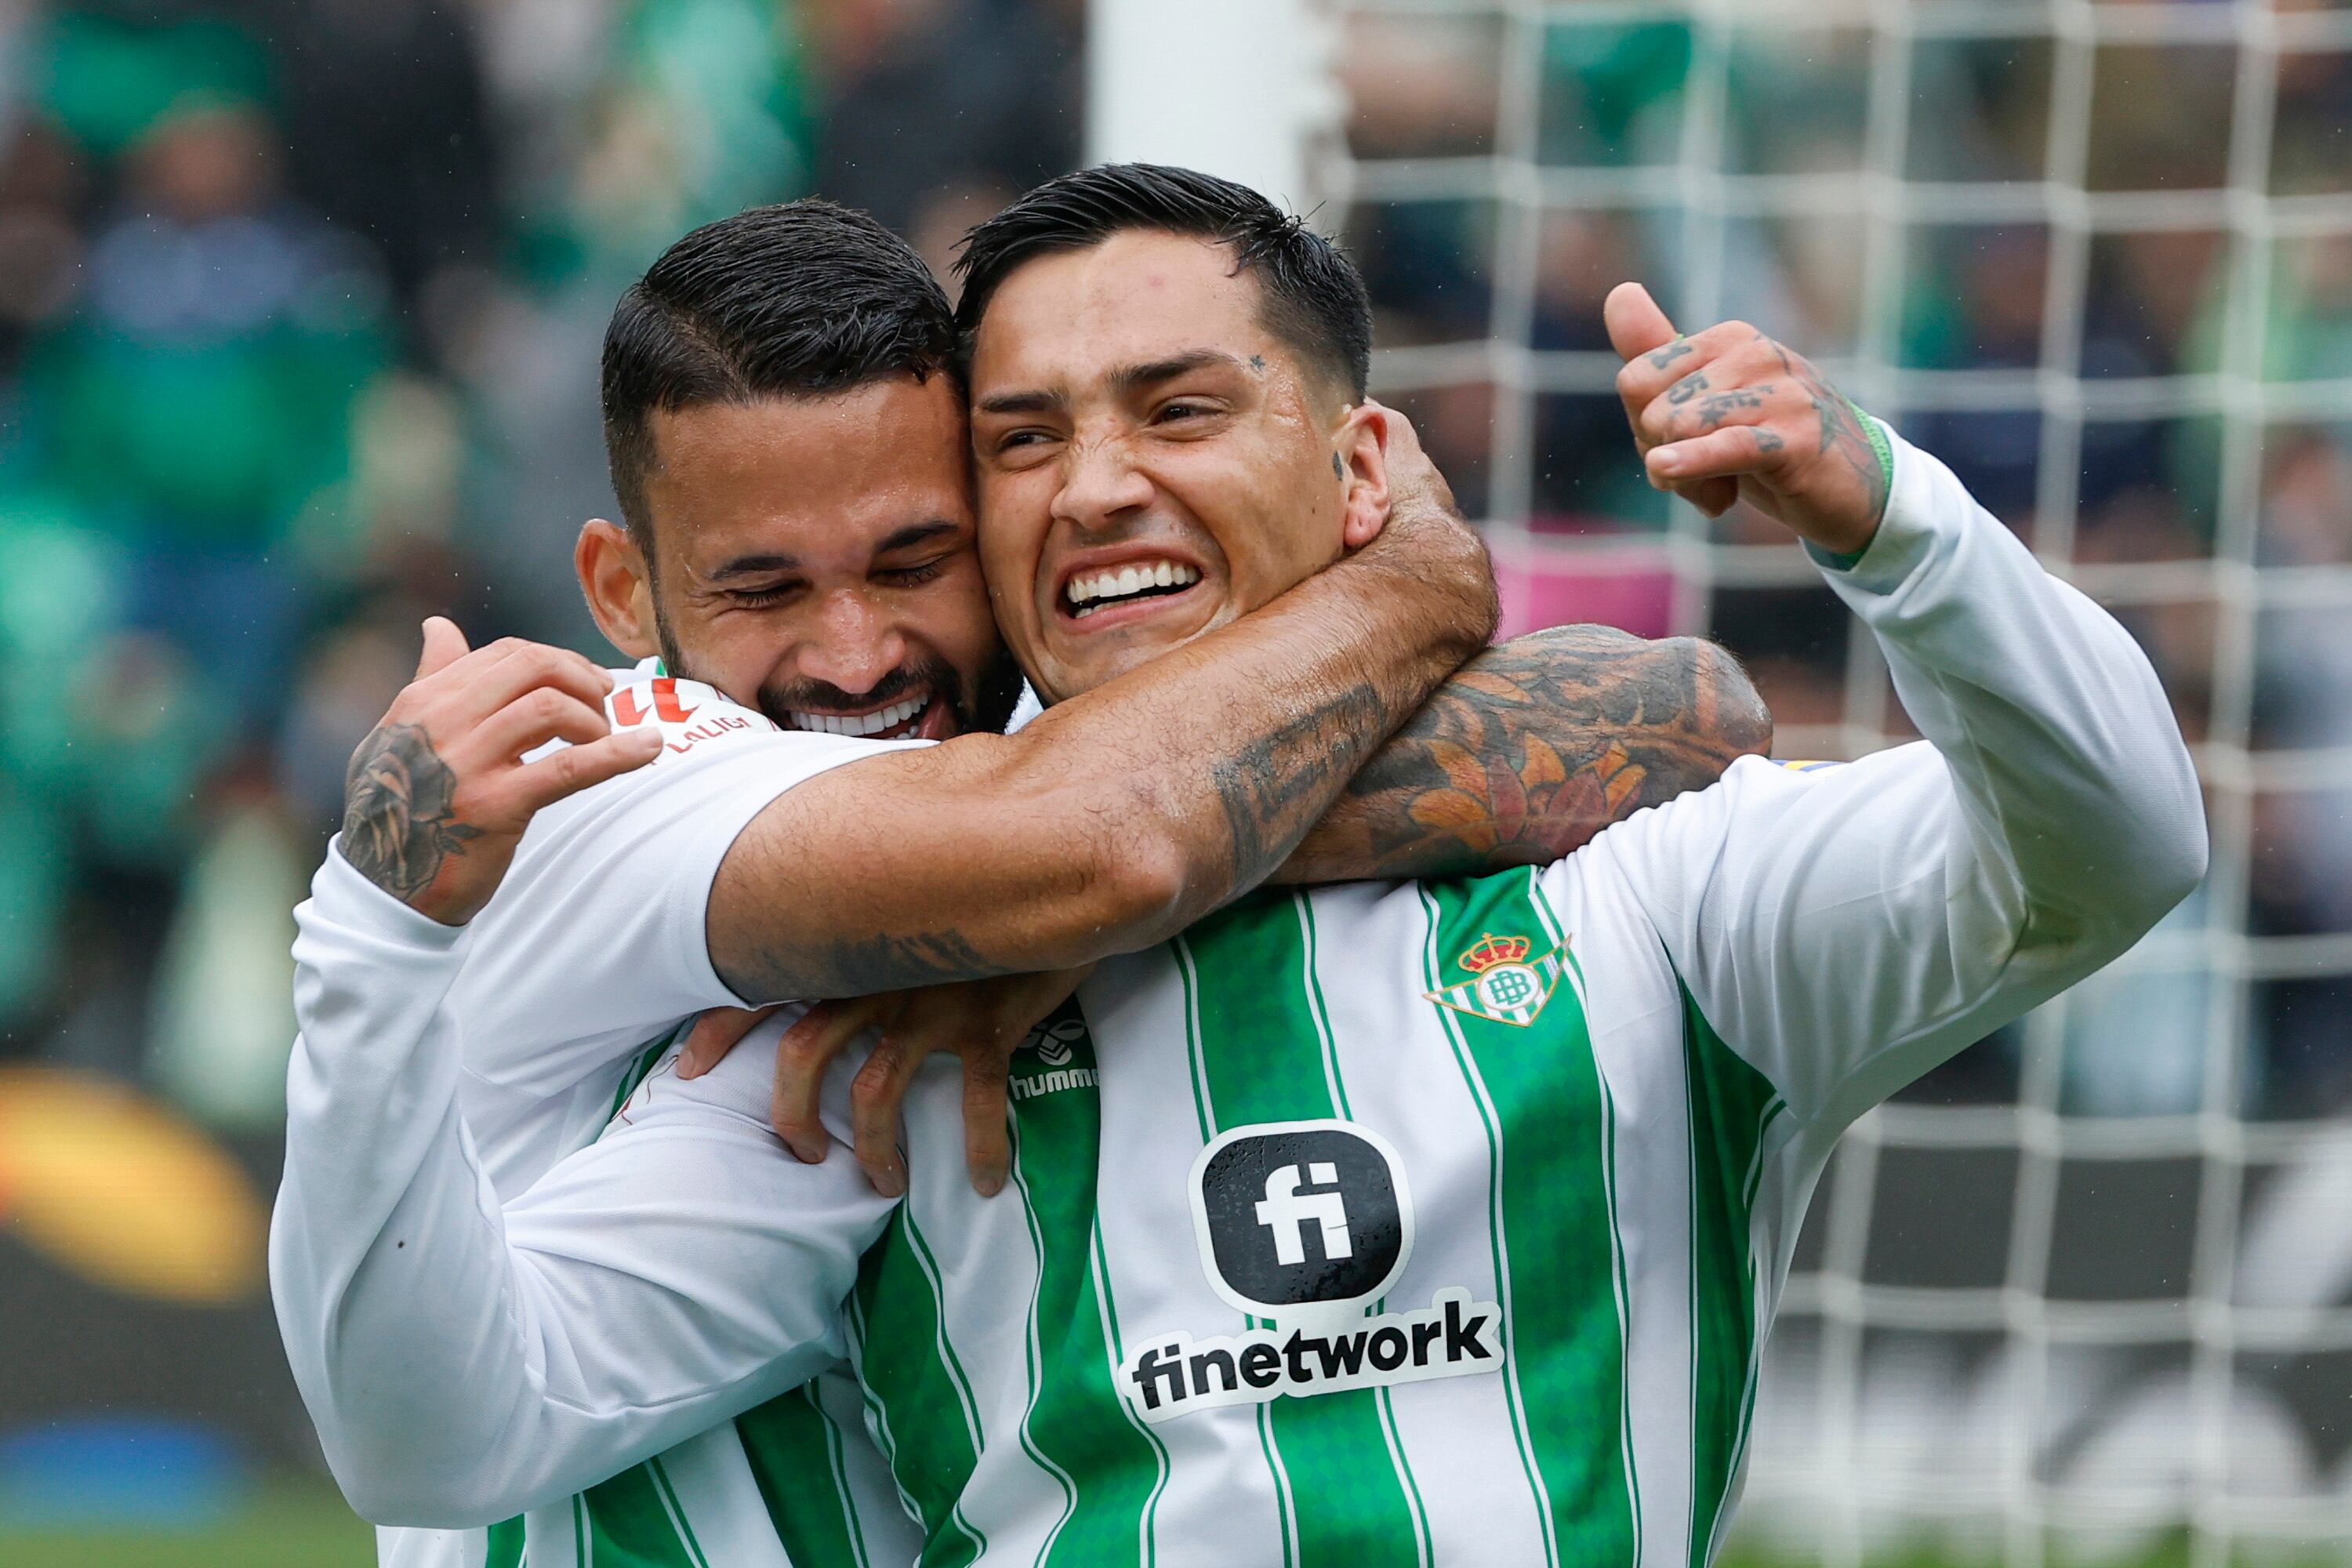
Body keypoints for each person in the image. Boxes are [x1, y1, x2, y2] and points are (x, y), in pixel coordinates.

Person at [283, 165, 2205, 1565]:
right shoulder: (860, 993)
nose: (1099, 481)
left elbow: (2109, 842)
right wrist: (1435, 591)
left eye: (1180, 408)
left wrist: (1900, 527)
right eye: (1026, 439)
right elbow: (453, 1426)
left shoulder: (1649, 899)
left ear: (1359, 460)